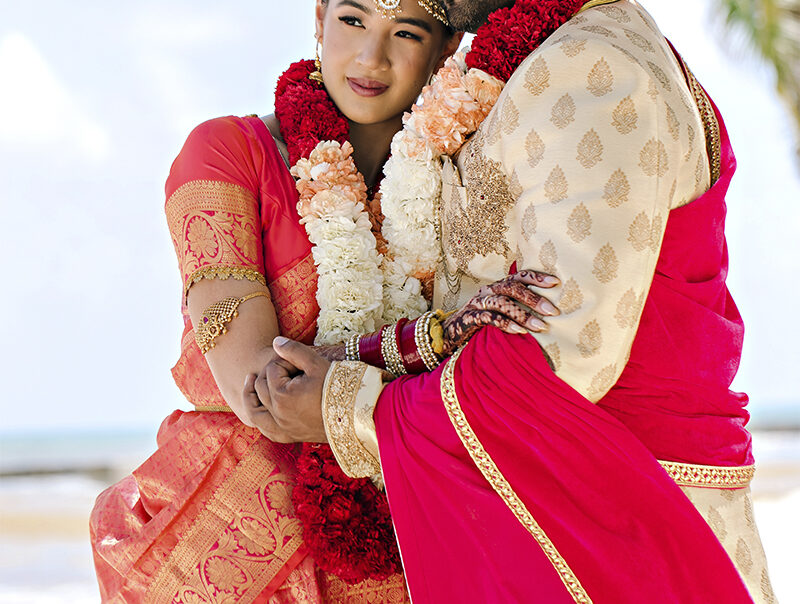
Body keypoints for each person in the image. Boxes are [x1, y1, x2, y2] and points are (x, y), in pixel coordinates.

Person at [238, 0, 777, 602]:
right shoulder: (560, 54)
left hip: (617, 535)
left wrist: (349, 409)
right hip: (572, 518)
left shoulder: (590, 64)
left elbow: (564, 355)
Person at [89, 1, 564, 601]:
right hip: (224, 543)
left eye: (407, 32)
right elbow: (264, 392)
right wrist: (443, 335)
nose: (371, 58)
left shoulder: (468, 172)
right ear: (319, 19)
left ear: (446, 50)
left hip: (408, 538)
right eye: (353, 20)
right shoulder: (226, 155)